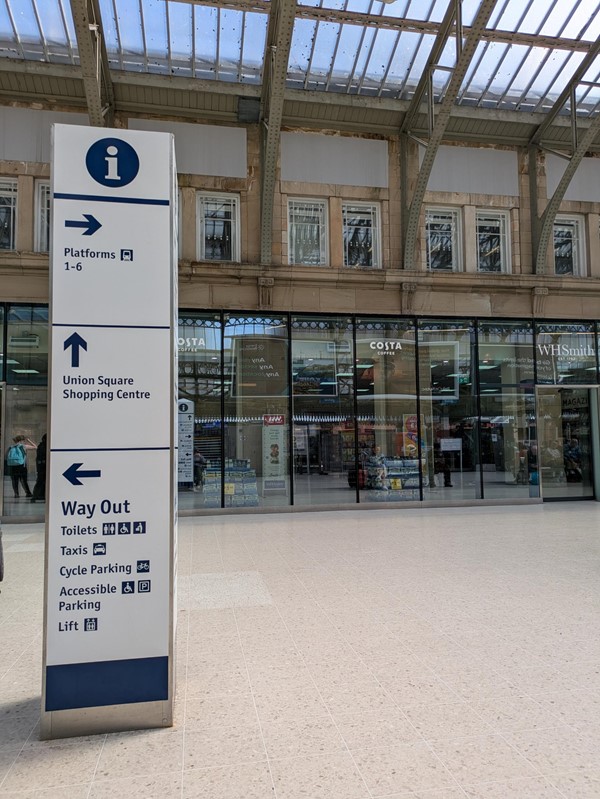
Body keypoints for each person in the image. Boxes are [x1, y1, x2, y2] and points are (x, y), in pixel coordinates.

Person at [31, 434, 47, 503]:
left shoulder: (41, 446)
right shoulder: (44, 446)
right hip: (44, 467)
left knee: (40, 482)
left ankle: (37, 496)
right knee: (40, 482)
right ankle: (35, 496)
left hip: (41, 467)